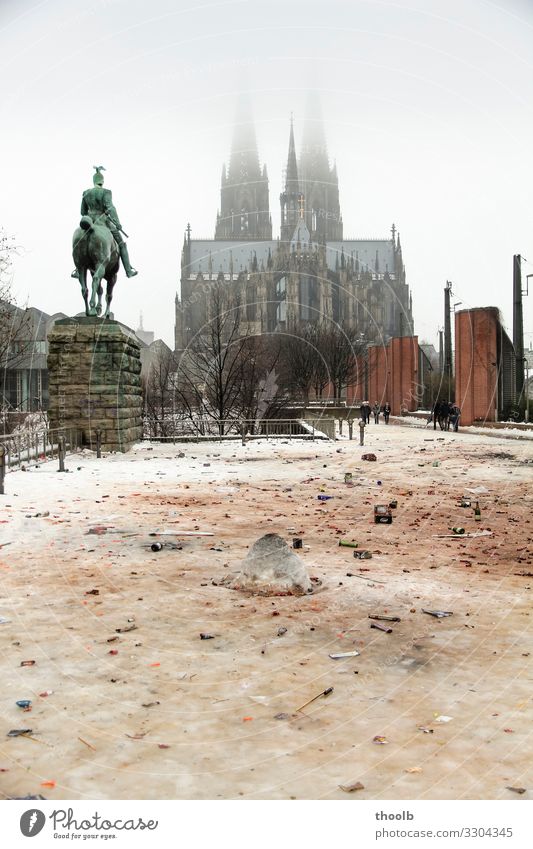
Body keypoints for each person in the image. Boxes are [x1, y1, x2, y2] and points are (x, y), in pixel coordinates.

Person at [72, 166, 137, 279]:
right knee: (121, 244)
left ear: (94, 181)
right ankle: (128, 270)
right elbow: (110, 208)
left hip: (89, 221)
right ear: (102, 182)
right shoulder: (106, 192)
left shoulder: (86, 193)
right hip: (104, 222)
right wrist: (117, 222)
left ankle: (78, 270)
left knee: (79, 242)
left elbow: (82, 212)